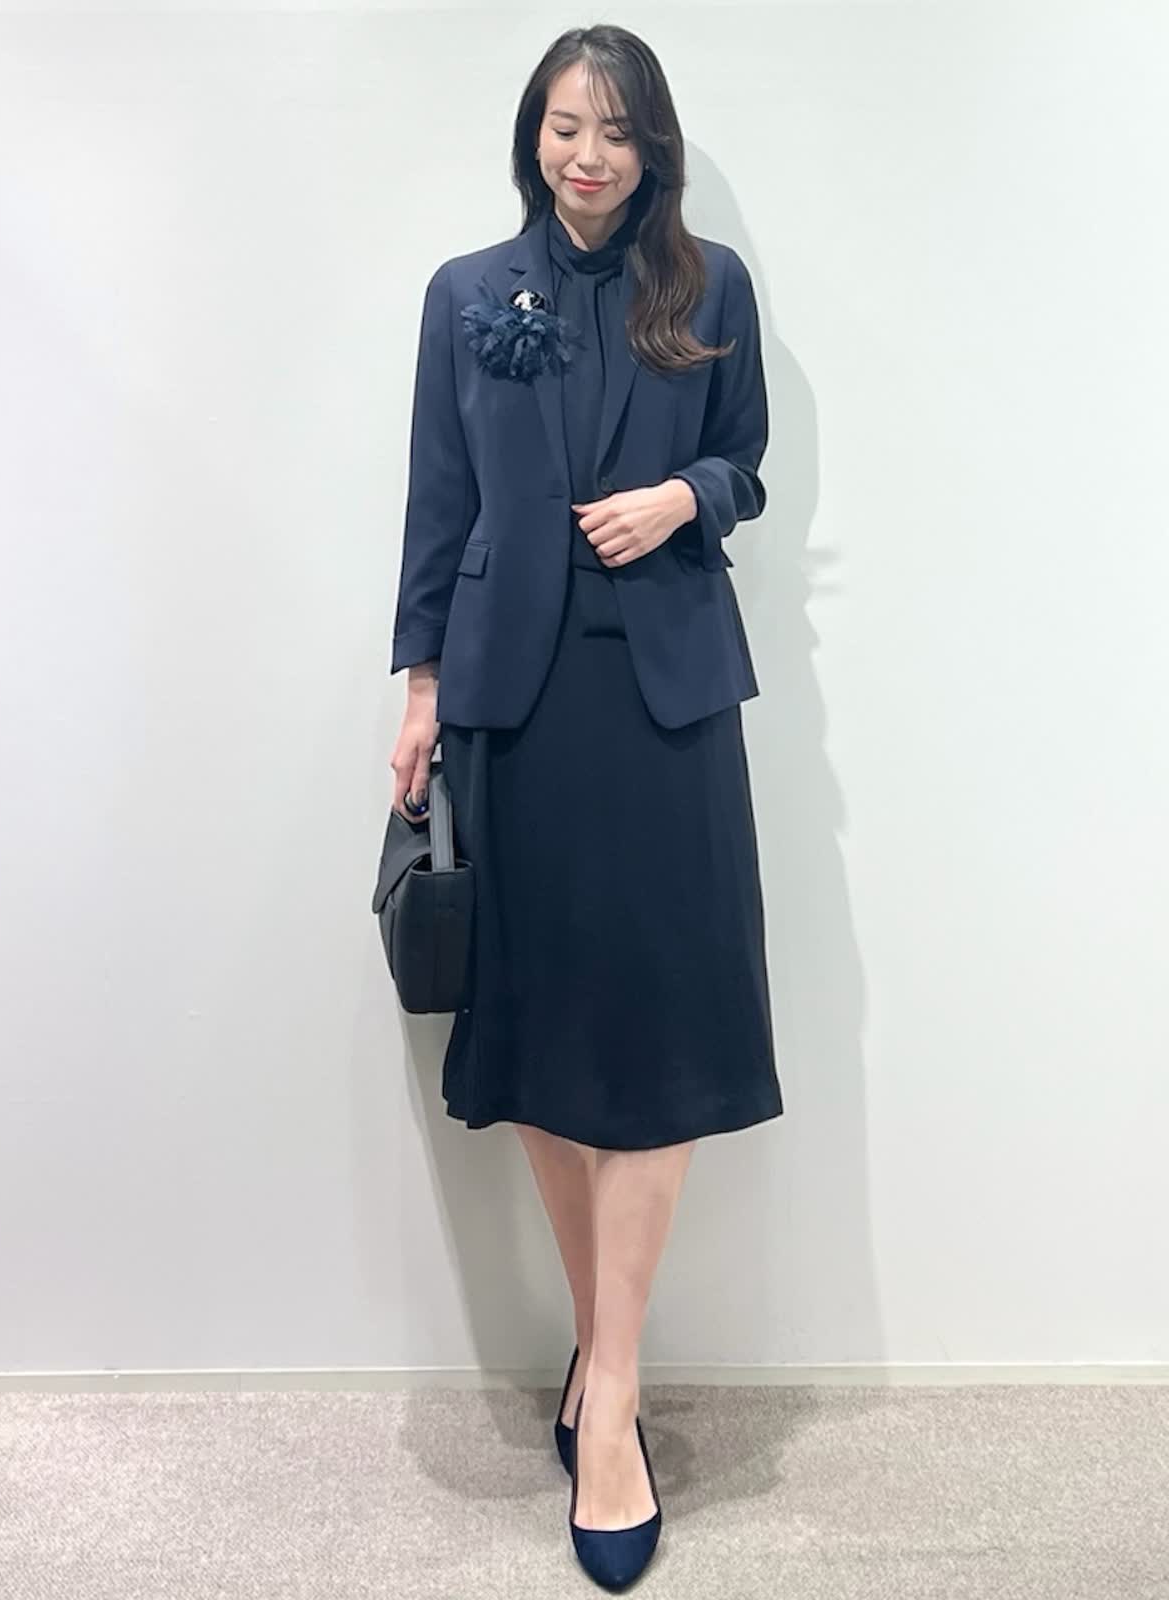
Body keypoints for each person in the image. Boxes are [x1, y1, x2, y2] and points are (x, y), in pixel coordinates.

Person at [388, 23, 784, 1590]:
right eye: (565, 126)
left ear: (653, 146)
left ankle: (607, 1391)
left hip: (668, 703)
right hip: (518, 702)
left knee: (662, 1040)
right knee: (549, 1044)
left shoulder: (713, 286)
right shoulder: (467, 293)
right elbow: (436, 500)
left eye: (615, 130)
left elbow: (747, 462)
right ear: (533, 138)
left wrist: (682, 496)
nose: (588, 155)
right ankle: (599, 1351)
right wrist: (421, 690)